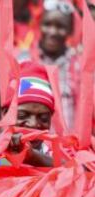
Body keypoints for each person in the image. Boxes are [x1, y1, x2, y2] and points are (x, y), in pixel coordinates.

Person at [0, 61, 54, 171]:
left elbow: (76, 170)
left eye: (43, 118)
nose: (33, 123)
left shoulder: (59, 152)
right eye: (22, 115)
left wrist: (32, 156)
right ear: (5, 113)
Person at [17, 0, 79, 129]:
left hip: (69, 147)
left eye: (61, 27)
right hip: (31, 144)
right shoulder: (22, 60)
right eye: (47, 24)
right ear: (39, 24)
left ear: (70, 29)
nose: (53, 32)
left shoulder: (79, 65)